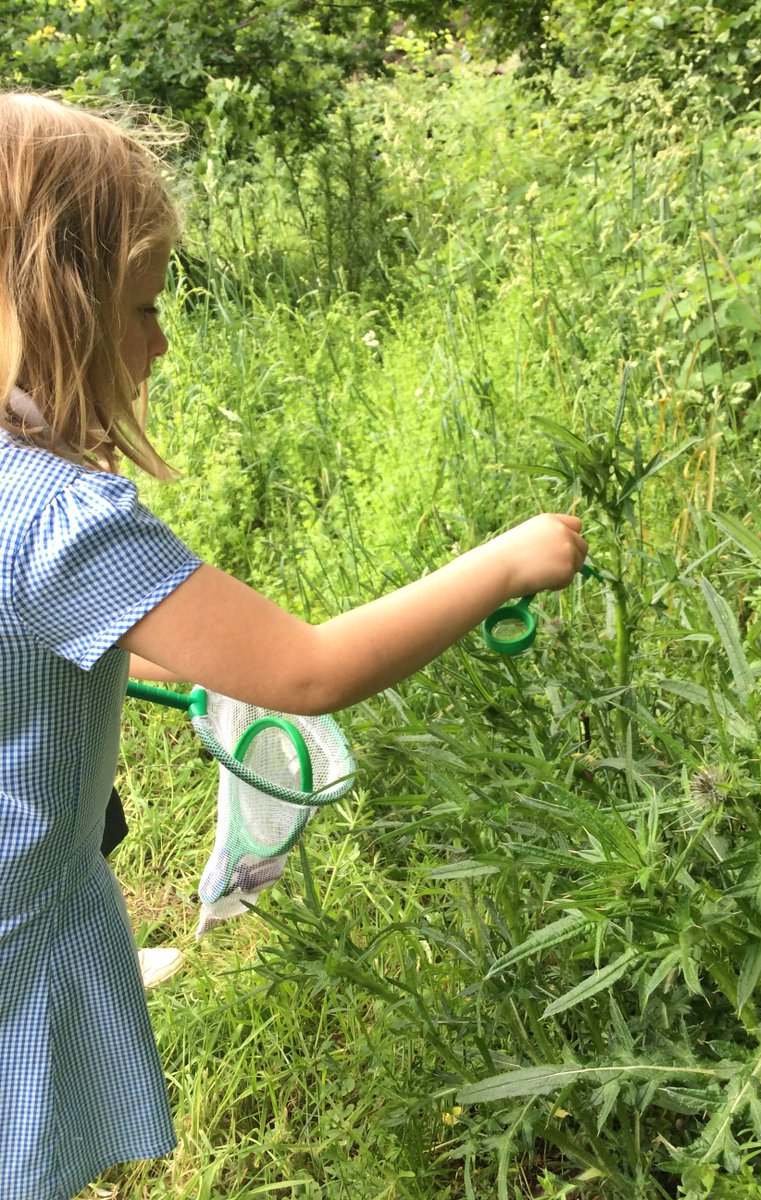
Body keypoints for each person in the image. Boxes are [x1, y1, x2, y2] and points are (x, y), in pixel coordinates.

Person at [0, 91, 588, 1200]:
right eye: (142, 306)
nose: (160, 341)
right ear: (54, 306)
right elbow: (307, 670)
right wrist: (508, 561)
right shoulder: (56, 520)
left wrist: (170, 660)